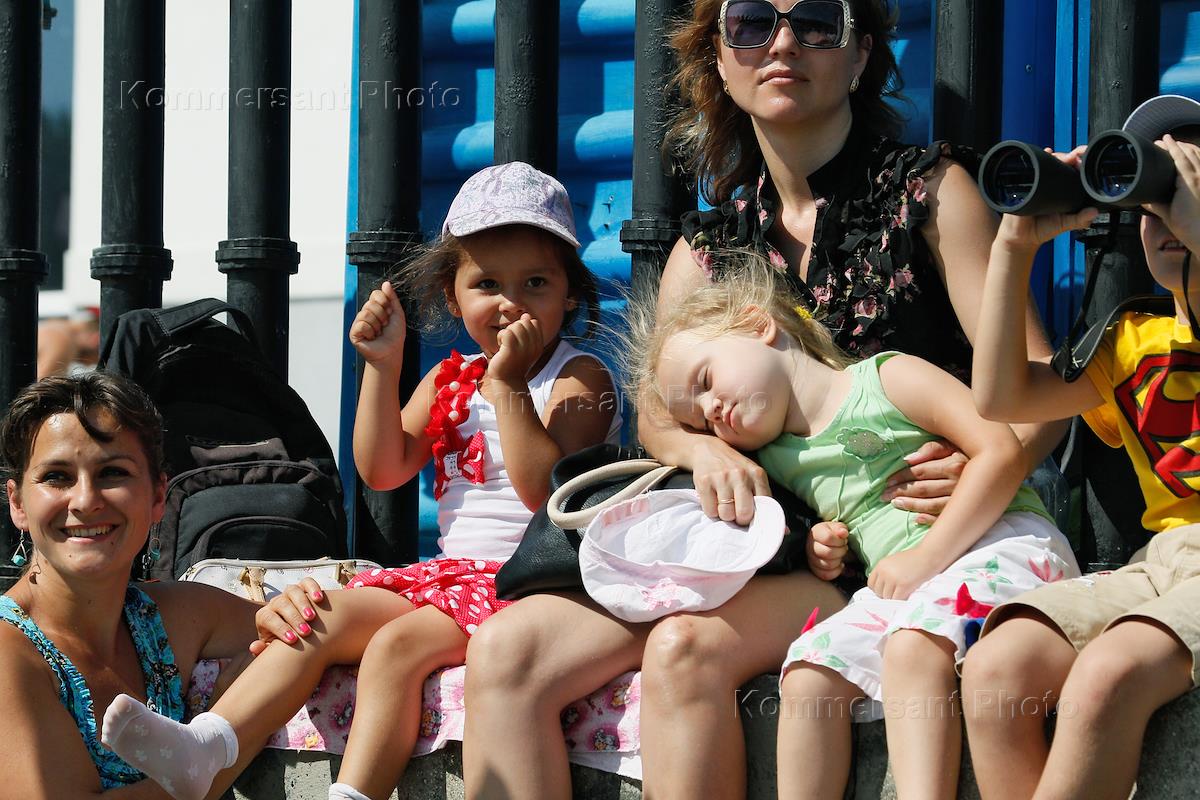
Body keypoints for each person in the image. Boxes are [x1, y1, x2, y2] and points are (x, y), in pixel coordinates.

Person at [463, 2, 1064, 797]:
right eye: (750, 22)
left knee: (684, 649)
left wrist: (978, 463)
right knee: (505, 653)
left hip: (885, 543)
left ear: (860, 54)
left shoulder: (929, 193)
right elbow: (654, 413)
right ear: (718, 57)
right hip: (751, 546)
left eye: (815, 21)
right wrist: (700, 448)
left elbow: (1039, 381)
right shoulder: (704, 249)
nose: (782, 42)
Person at [101, 161, 623, 800]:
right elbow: (382, 467)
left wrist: (510, 386)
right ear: (454, 298)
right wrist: (382, 366)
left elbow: (546, 493)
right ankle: (208, 744)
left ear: (569, 292)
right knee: (318, 616)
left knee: (397, 646)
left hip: (524, 588)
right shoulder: (451, 379)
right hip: (451, 580)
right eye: (487, 283)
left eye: (535, 282)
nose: (510, 301)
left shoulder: (578, 377)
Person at [635, 256, 1078, 798]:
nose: (713, 410)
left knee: (913, 648)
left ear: (758, 325)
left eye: (706, 381)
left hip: (999, 545)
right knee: (808, 674)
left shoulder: (888, 377)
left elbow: (1001, 451)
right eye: (701, 419)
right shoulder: (776, 459)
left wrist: (925, 558)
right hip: (908, 587)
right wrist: (824, 548)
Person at [962, 96, 1200, 800]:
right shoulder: (1130, 341)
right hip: (1162, 563)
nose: (1167, 220)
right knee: (996, 668)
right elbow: (1000, 397)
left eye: (1183, 193)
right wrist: (1015, 244)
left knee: (1105, 676)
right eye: (1154, 203)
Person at [0, 371, 267, 797]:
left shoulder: (174, 617)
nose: (85, 500)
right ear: (18, 503)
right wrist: (232, 735)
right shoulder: (8, 654)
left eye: (112, 472)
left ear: (158, 496)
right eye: (56, 476)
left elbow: (350, 621)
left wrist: (292, 621)